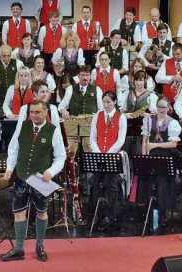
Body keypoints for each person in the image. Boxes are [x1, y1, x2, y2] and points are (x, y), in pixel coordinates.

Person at [0, 100, 66, 262]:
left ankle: (39, 246)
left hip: (41, 179)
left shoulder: (53, 131)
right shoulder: (22, 126)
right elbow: (13, 149)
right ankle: (18, 249)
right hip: (21, 176)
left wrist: (50, 172)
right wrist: (9, 168)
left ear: (45, 112)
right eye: (31, 112)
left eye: (37, 112)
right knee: (18, 213)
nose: (34, 115)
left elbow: (60, 157)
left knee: (42, 212)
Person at [138, 96, 182, 232]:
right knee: (149, 184)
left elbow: (173, 144)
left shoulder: (173, 123)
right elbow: (145, 139)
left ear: (168, 108)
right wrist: (144, 156)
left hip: (165, 156)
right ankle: (149, 214)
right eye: (159, 107)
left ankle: (162, 215)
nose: (161, 110)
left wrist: (155, 145)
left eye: (164, 107)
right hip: (151, 155)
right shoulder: (149, 120)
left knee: (163, 186)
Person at [89, 91, 127, 229]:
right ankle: (96, 212)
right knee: (96, 183)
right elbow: (93, 136)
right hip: (99, 155)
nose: (106, 105)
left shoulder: (121, 117)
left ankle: (110, 215)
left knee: (111, 185)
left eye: (109, 102)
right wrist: (98, 152)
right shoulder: (98, 115)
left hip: (113, 156)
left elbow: (120, 139)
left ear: (115, 102)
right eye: (104, 102)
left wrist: (109, 154)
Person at [52, 30, 84, 99]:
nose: (71, 42)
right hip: (63, 76)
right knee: (63, 95)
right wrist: (56, 72)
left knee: (75, 95)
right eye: (69, 40)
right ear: (65, 40)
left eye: (73, 41)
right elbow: (55, 63)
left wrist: (80, 76)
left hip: (75, 76)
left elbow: (81, 66)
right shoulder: (60, 51)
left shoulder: (79, 51)